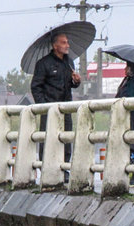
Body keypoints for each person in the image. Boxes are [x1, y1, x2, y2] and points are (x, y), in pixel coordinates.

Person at [31, 32, 81, 182]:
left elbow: (72, 85)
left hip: (65, 107)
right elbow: (35, 87)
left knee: (66, 139)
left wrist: (77, 81)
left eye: (67, 42)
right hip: (49, 108)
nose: (67, 45)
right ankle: (46, 168)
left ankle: (64, 169)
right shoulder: (43, 63)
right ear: (55, 45)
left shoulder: (69, 62)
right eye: (64, 43)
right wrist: (44, 105)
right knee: (47, 139)